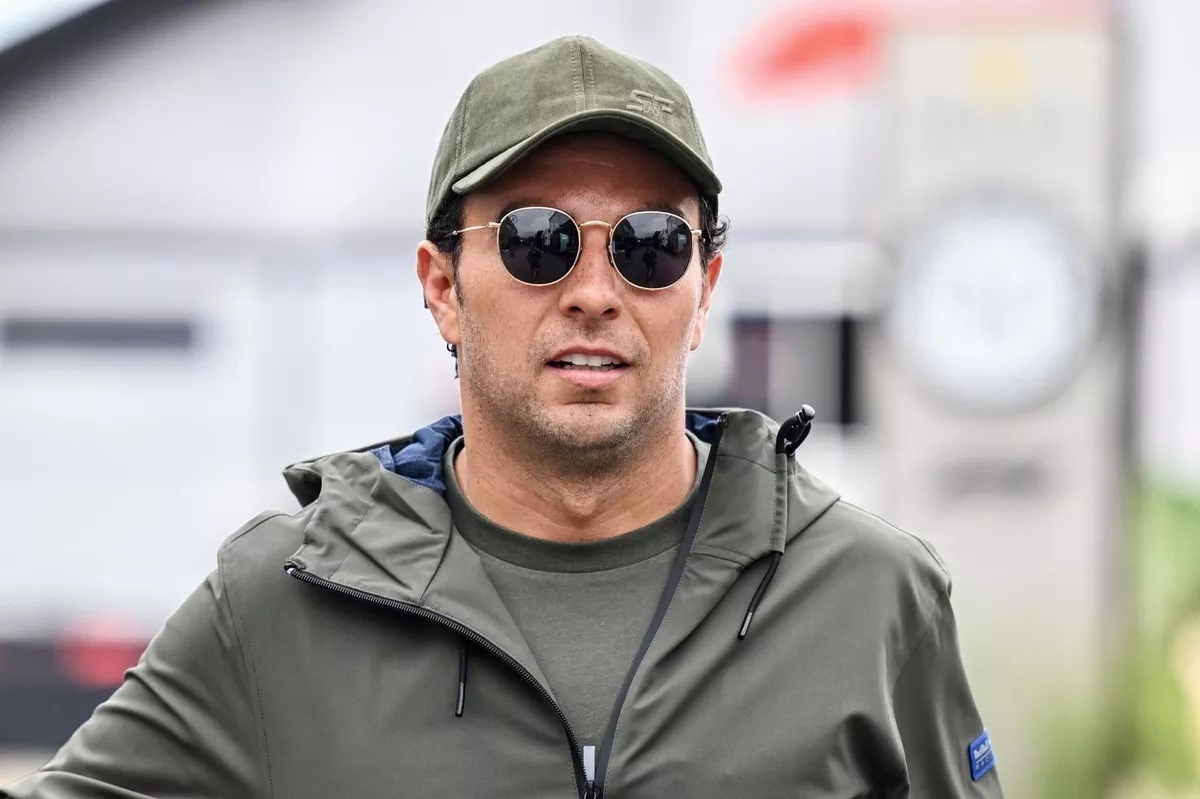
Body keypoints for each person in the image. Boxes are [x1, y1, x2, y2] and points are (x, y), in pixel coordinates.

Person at [3, 35, 1003, 799]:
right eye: (538, 240)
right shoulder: (281, 601)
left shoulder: (871, 594)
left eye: (651, 244)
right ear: (442, 286)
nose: (596, 293)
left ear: (704, 289)